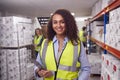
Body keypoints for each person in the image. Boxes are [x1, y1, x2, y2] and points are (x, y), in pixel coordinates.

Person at [34, 9, 90, 80]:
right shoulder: (45, 43)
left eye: (62, 22)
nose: (58, 25)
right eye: (55, 22)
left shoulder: (77, 44)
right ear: (51, 25)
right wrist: (39, 72)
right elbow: (38, 64)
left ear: (68, 23)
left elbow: (86, 68)